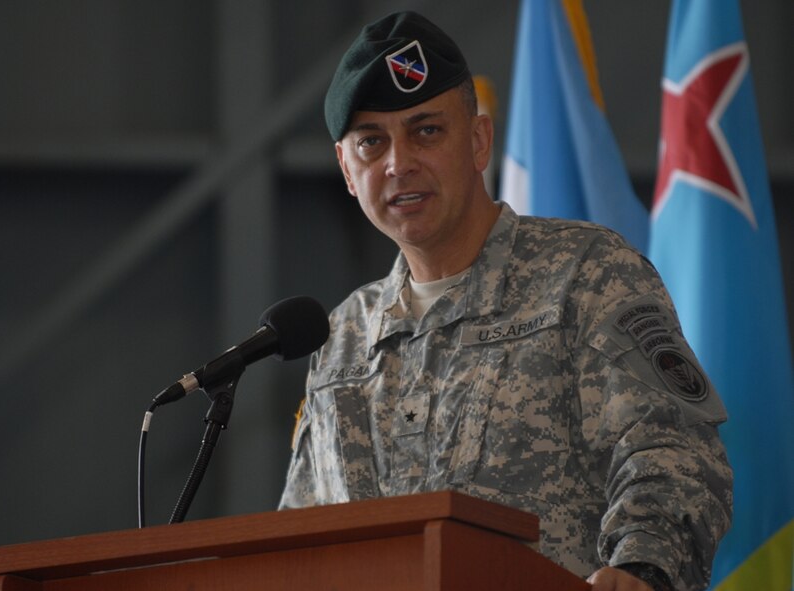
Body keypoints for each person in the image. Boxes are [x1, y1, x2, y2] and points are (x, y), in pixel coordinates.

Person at [279, 11, 732, 591]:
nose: (398, 163)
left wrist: (642, 569)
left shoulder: (585, 275)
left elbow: (674, 452)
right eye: (371, 142)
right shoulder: (339, 337)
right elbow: (301, 534)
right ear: (347, 169)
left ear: (478, 141)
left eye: (426, 131)